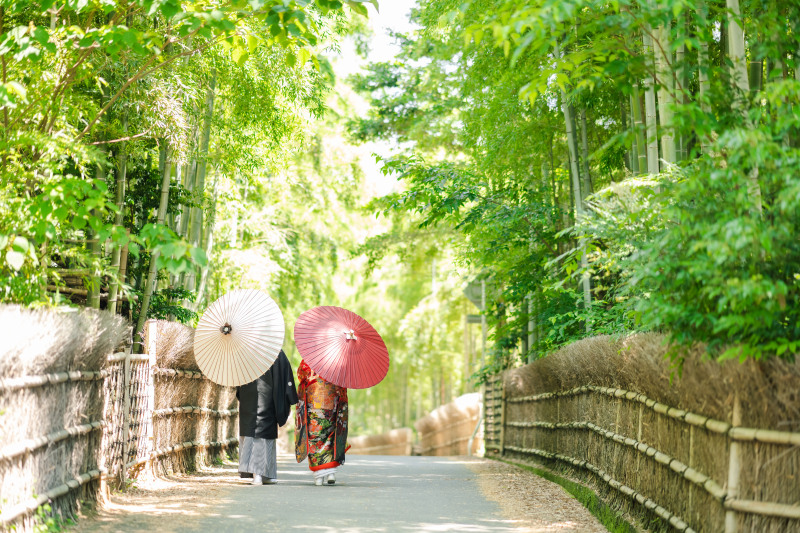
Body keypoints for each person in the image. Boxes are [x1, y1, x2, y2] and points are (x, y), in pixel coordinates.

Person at [236, 349, 297, 485]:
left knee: (255, 432)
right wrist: (288, 397)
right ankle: (261, 474)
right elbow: (285, 373)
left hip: (249, 395)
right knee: (263, 433)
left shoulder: (245, 349)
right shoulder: (274, 349)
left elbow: (236, 375)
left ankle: (263, 474)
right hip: (267, 395)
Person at [295, 360, 349, 486]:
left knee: (314, 437)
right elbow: (345, 379)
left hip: (314, 402)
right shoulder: (337, 360)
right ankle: (331, 473)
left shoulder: (309, 359)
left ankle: (318, 477)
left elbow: (302, 375)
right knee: (331, 435)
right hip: (332, 401)